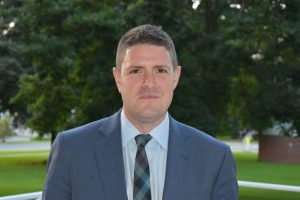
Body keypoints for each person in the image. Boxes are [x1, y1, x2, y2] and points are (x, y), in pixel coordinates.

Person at [42, 24, 238, 200]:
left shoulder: (214, 158)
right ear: (118, 79)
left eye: (160, 70)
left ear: (175, 77)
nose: (149, 83)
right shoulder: (71, 150)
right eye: (136, 71)